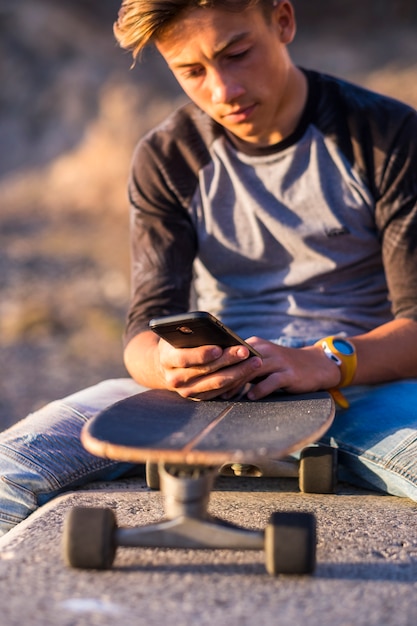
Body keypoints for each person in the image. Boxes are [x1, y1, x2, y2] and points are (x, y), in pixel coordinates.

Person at [0, 0, 416, 537]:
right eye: (191, 71)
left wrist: (324, 361)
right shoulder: (168, 157)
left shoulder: (387, 136)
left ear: (283, 21)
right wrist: (169, 365)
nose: (223, 91)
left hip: (358, 384)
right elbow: (144, 329)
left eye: (237, 53)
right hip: (209, 390)